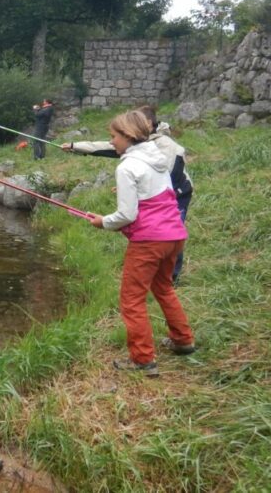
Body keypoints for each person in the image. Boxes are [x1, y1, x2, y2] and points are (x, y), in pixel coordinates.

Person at [86, 111, 195, 377]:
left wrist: (103, 222)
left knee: (132, 300)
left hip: (149, 241)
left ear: (129, 136)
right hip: (174, 236)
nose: (111, 142)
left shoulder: (126, 167)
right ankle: (183, 340)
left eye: (113, 136)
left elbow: (126, 215)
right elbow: (154, 194)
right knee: (164, 288)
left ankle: (142, 359)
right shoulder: (157, 160)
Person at [63, 106, 193, 286]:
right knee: (159, 232)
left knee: (172, 230)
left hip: (179, 192)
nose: (113, 140)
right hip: (153, 195)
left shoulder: (166, 145)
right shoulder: (136, 143)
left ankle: (172, 277)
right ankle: (160, 279)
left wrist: (135, 189)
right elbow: (107, 146)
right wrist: (74, 146)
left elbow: (165, 175)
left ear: (147, 123)